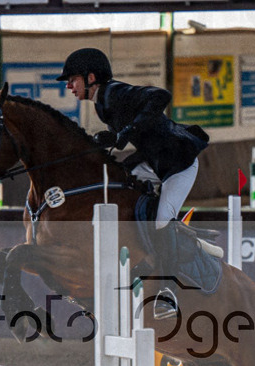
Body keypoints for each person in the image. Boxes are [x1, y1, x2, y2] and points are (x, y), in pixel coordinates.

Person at [57, 47, 209, 319]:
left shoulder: (115, 92)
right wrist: (106, 139)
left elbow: (161, 96)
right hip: (152, 161)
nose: (69, 86)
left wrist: (128, 130)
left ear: (91, 77)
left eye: (73, 79)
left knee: (161, 221)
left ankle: (167, 291)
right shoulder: (102, 105)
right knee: (117, 185)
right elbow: (127, 135)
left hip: (178, 165)